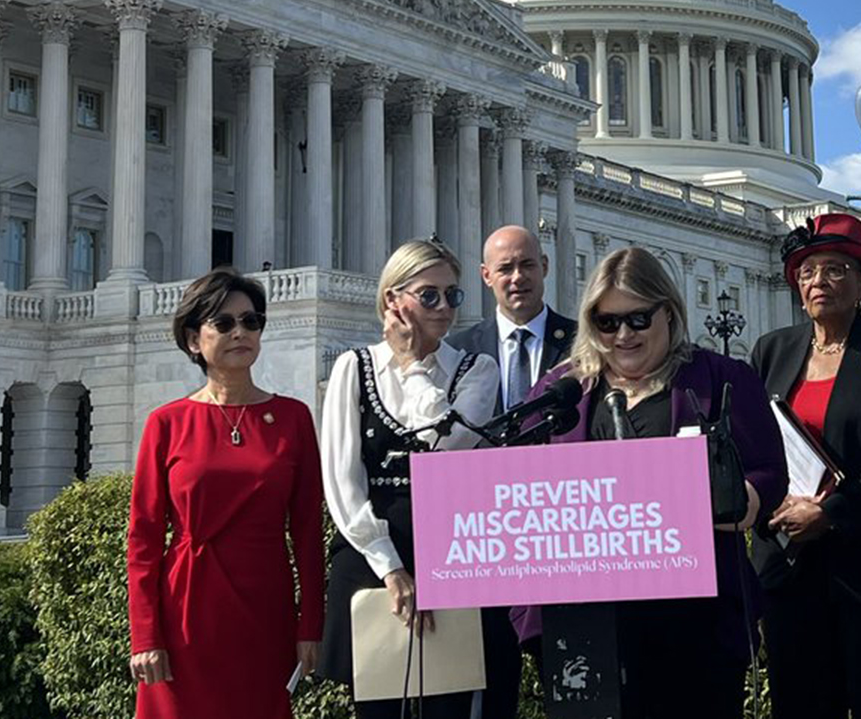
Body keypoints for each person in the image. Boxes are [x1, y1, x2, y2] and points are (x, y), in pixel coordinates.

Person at [510, 247, 785, 719]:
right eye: (606, 321)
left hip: (693, 621)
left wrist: (737, 504)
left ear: (669, 312)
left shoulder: (720, 380)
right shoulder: (561, 392)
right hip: (583, 623)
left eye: (638, 320)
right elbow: (516, 487)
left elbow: (767, 471)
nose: (622, 335)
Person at [751, 212, 861, 719]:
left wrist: (832, 513)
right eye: (807, 272)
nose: (818, 282)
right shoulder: (772, 351)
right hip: (790, 570)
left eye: (834, 270)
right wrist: (773, 502)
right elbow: (753, 445)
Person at [127, 268, 325, 719]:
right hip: (185, 612)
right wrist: (145, 636)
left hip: (264, 611)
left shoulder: (292, 418)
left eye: (251, 321)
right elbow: (143, 540)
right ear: (195, 340)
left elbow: (310, 533)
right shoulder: (167, 422)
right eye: (225, 323)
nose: (241, 332)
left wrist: (310, 623)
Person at [321, 240, 501, 719]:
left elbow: (447, 448)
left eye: (452, 296)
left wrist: (413, 368)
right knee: (378, 707)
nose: (444, 308)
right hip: (372, 555)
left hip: (451, 555)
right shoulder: (352, 369)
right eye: (429, 296)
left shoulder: (478, 370)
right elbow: (342, 480)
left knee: (450, 703)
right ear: (392, 301)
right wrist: (391, 567)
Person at [445, 223, 576, 719]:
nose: (517, 277)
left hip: (560, 544)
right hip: (485, 545)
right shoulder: (458, 350)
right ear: (485, 276)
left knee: (573, 691)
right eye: (505, 268)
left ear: (544, 267)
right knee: (486, 700)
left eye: (526, 264)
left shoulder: (585, 343)